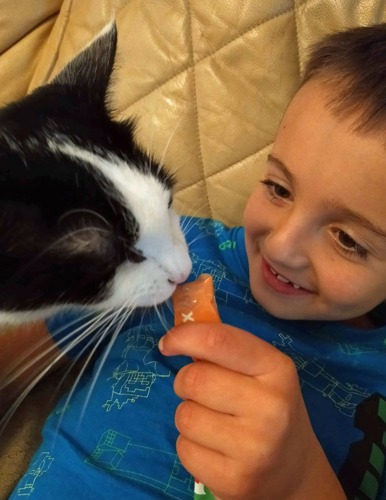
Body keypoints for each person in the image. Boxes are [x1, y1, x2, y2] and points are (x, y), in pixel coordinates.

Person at [6, 23, 386, 499]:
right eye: (278, 188)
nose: (281, 245)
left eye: (348, 240)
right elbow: (17, 355)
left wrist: (298, 485)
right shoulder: (179, 248)